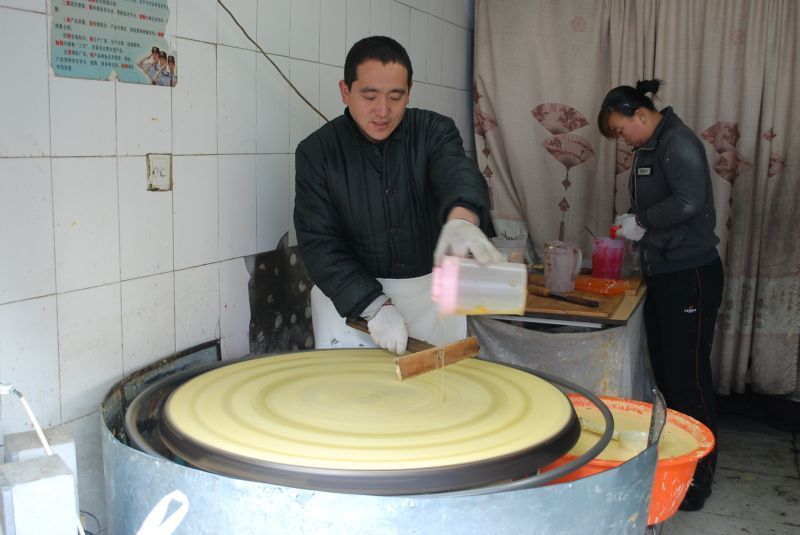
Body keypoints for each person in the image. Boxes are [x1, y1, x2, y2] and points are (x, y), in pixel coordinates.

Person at [294, 36, 501, 355]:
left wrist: (462, 220)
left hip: (429, 300)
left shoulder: (433, 131)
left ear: (409, 91)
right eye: (370, 96)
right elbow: (319, 242)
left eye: (395, 96)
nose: (383, 111)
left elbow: (457, 173)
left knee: (437, 384)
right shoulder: (317, 152)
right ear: (345, 91)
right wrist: (372, 305)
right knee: (350, 385)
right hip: (349, 306)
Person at [597, 79, 724, 512]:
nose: (623, 139)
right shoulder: (650, 148)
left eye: (621, 130)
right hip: (666, 273)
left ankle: (699, 477)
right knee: (669, 377)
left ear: (640, 114)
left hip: (691, 274)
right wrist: (637, 221)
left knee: (688, 378)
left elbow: (689, 201)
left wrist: (643, 221)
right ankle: (677, 466)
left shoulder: (677, 142)